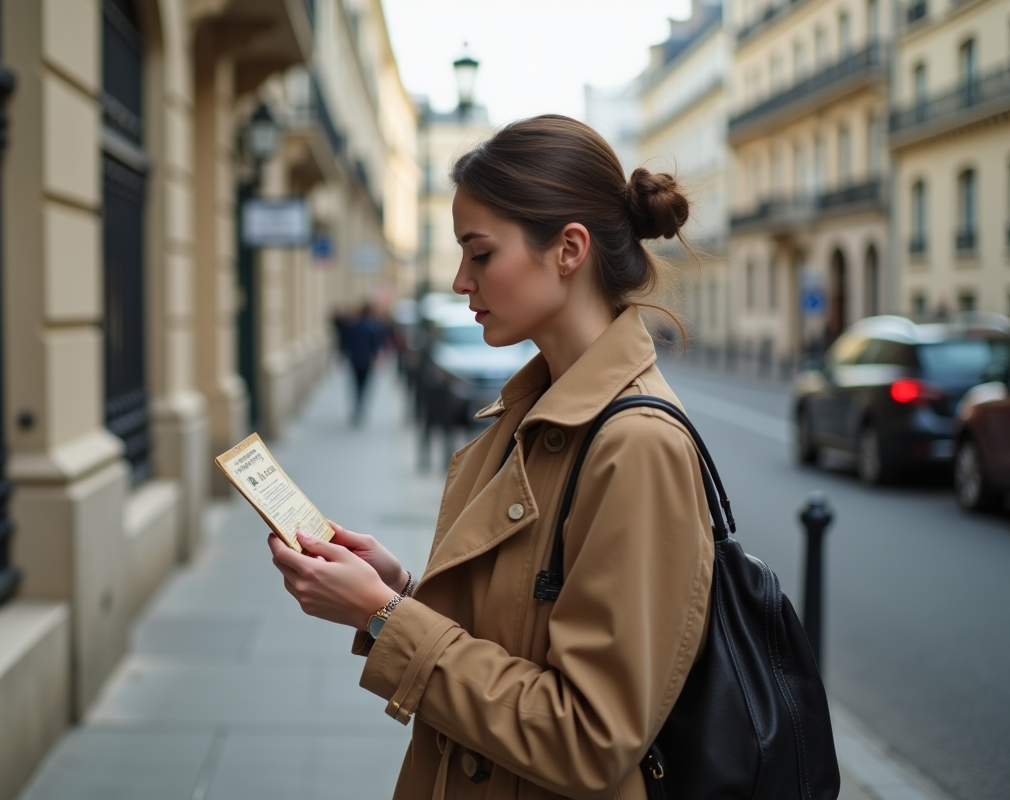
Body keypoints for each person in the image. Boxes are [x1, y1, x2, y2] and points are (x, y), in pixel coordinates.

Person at [267, 115, 713, 800]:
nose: (457, 281)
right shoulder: (534, 411)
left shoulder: (638, 446)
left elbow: (590, 738)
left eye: (480, 254)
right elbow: (517, 642)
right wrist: (400, 591)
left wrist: (384, 618)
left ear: (568, 249)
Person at [342, 302, 387, 424]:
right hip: (367, 361)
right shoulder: (373, 328)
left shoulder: (352, 327)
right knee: (365, 386)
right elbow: (377, 346)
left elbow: (345, 344)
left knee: (356, 385)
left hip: (355, 360)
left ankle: (357, 407)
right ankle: (361, 408)